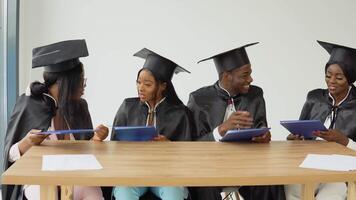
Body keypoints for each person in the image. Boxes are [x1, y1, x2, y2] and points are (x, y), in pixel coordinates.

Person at [2, 39, 108, 200]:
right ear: (66, 83)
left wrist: (97, 138)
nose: (84, 86)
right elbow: (9, 155)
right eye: (81, 81)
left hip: (76, 177)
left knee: (94, 195)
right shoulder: (28, 104)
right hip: (38, 179)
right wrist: (27, 142)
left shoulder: (80, 107)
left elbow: (87, 152)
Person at [187, 42, 285, 200]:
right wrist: (221, 130)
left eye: (250, 73)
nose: (251, 79)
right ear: (226, 76)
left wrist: (263, 137)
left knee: (271, 180)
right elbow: (191, 146)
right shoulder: (199, 99)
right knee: (203, 184)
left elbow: (261, 127)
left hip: (247, 162)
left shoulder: (255, 95)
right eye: (245, 75)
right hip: (211, 164)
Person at [111, 48, 193, 200]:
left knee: (173, 193)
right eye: (138, 82)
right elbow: (114, 145)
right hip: (132, 172)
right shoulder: (127, 107)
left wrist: (170, 146)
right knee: (124, 192)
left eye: (147, 84)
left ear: (163, 85)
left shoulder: (181, 113)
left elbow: (189, 155)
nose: (140, 88)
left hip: (167, 173)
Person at [285, 40, 356, 200]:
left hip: (342, 170)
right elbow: (300, 131)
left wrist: (343, 140)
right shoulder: (315, 97)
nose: (331, 81)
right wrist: (295, 139)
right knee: (292, 190)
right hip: (309, 164)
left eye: (339, 78)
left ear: (350, 79)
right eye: (328, 76)